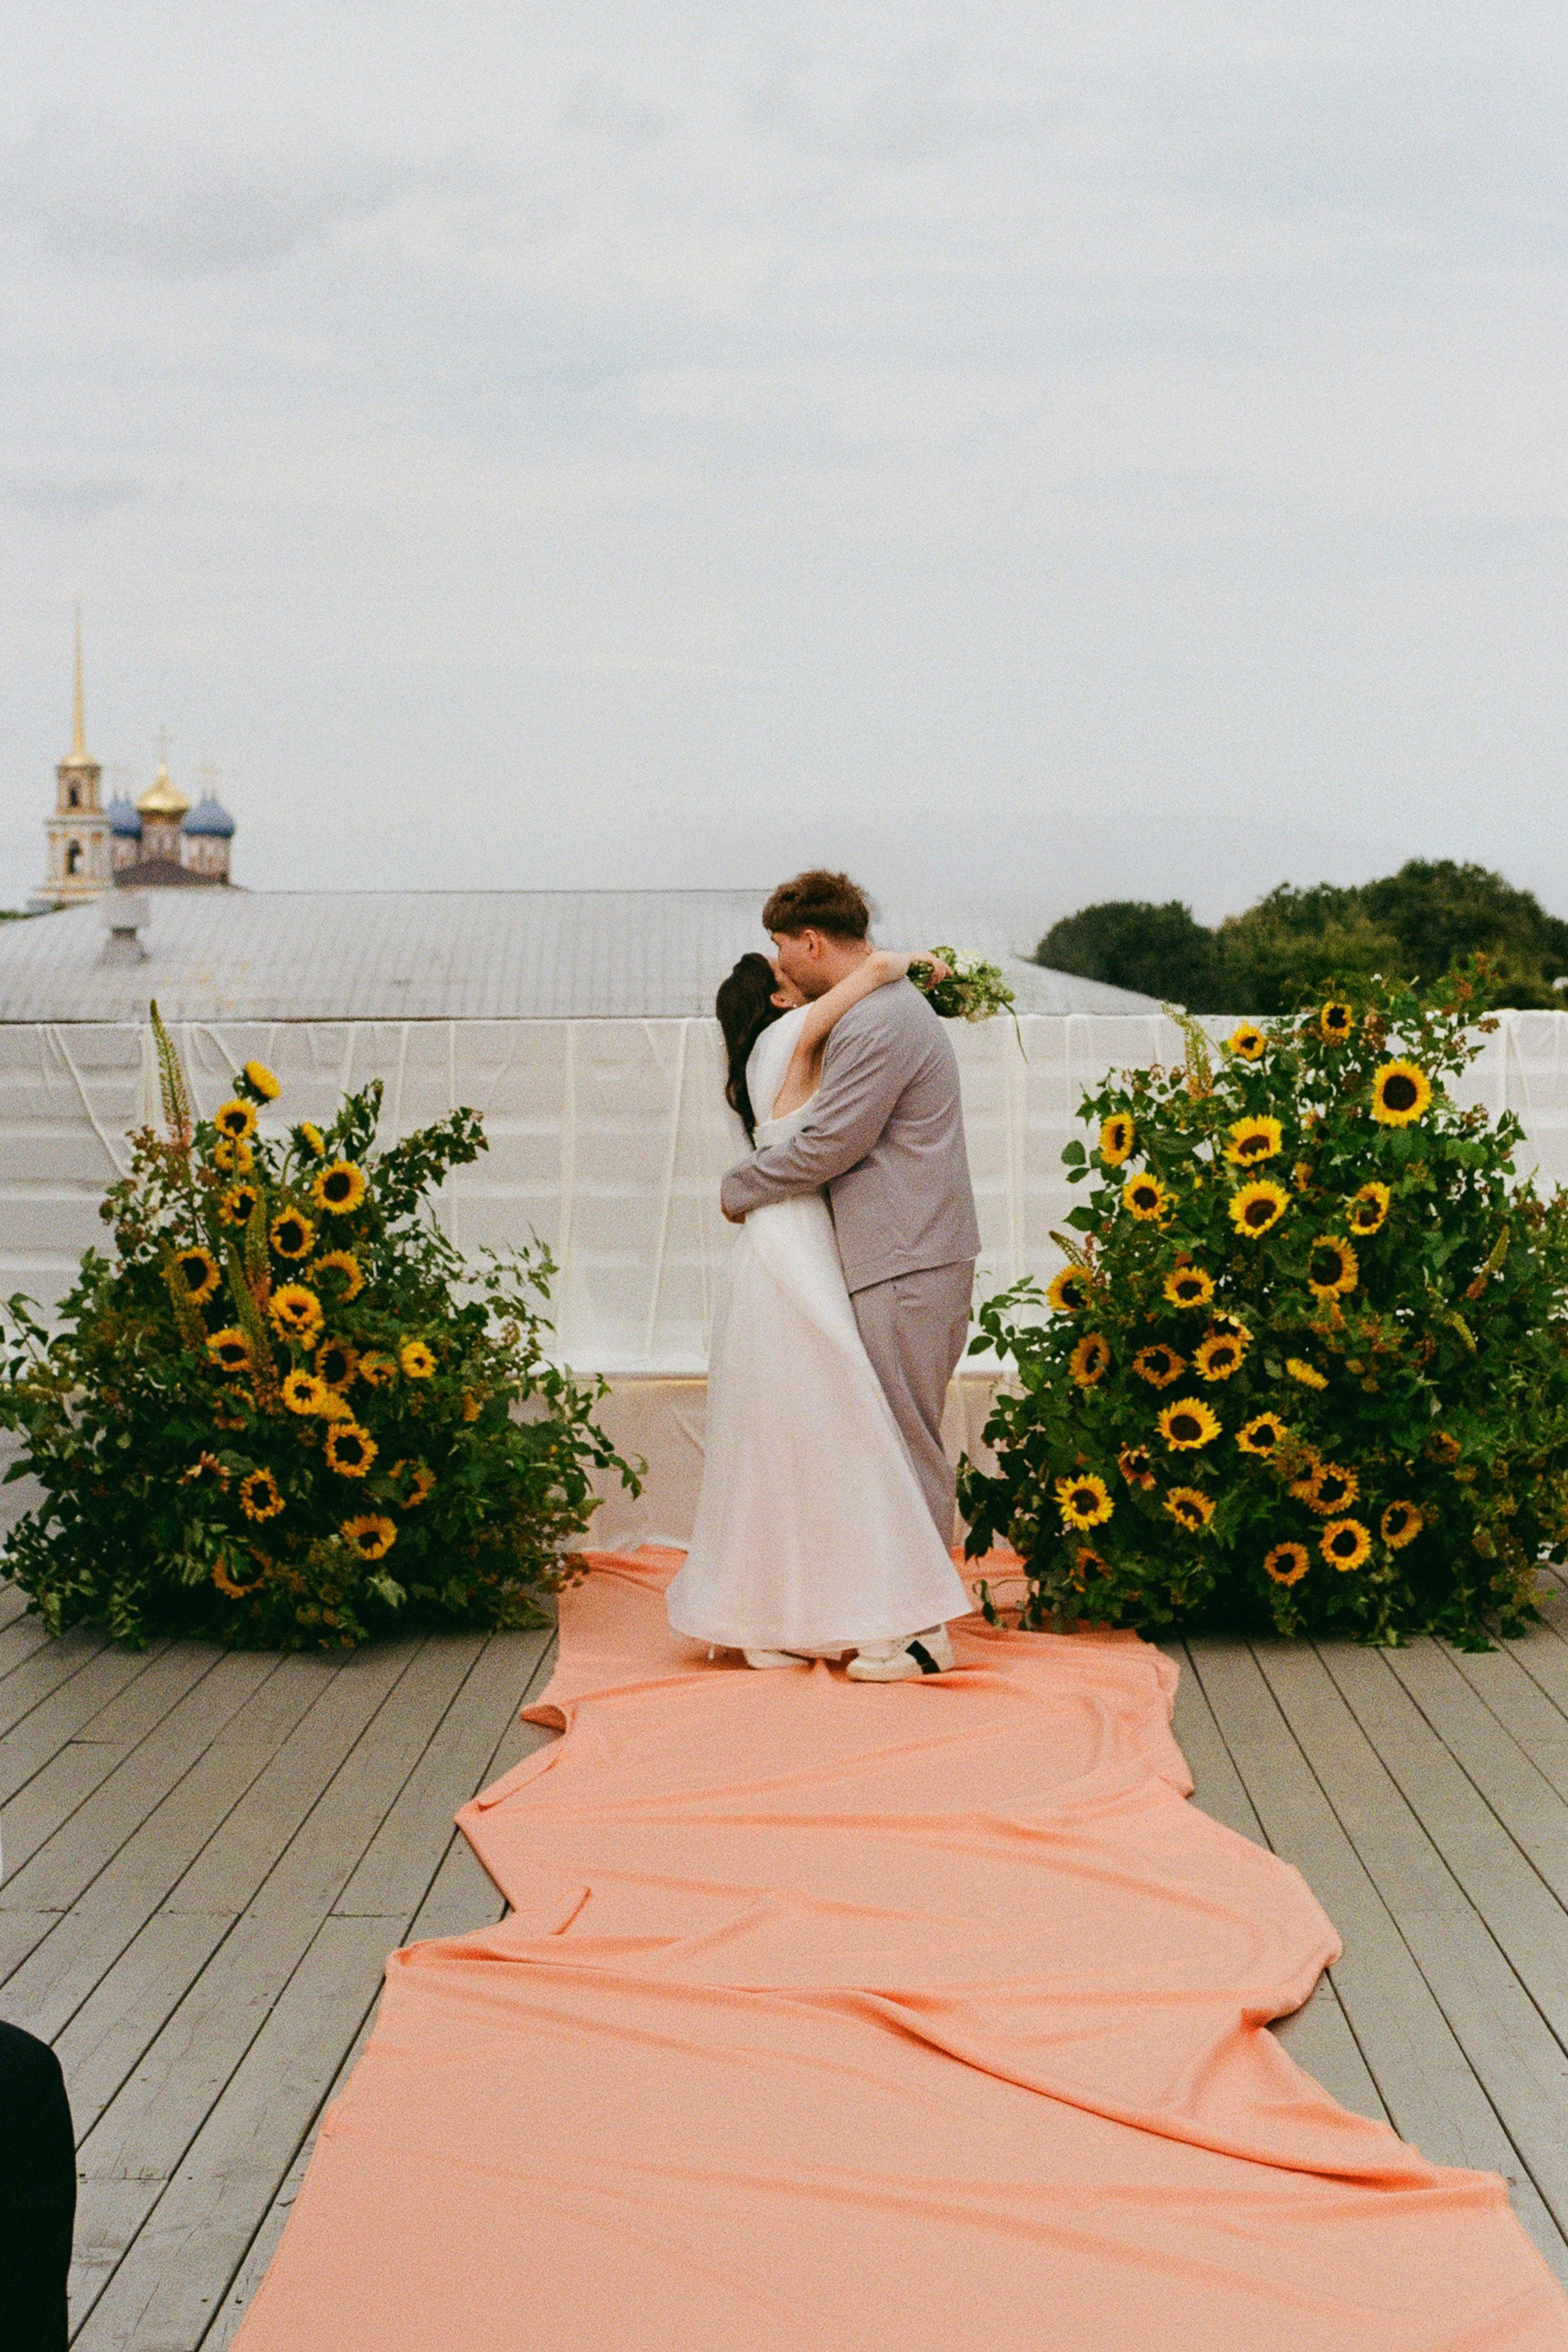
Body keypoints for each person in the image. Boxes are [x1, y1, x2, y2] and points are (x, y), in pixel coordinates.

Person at [665, 870, 979, 1681]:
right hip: (901, 1253)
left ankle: (922, 1634)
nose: (777, 960)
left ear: (810, 943)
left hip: (906, 1258)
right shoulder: (874, 1010)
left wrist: (736, 1190)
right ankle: (887, 1616)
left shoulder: (877, 1022)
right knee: (888, 1438)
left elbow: (830, 1143)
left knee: (902, 1442)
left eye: (780, 945)